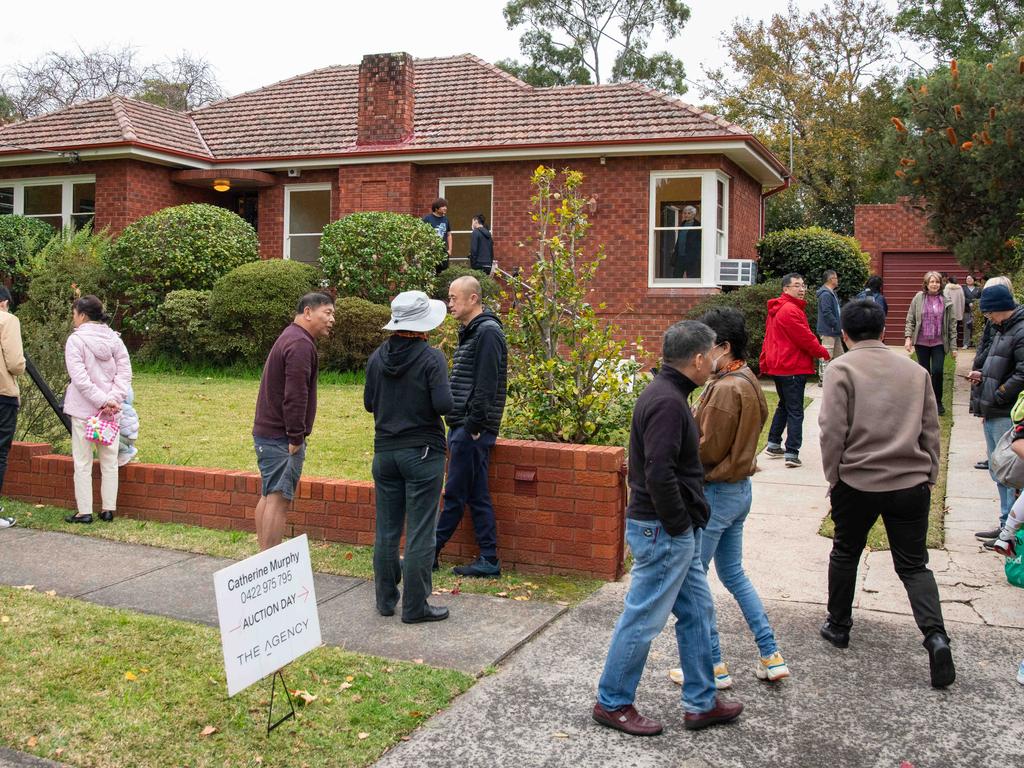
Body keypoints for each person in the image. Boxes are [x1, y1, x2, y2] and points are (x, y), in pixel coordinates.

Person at [592, 320, 743, 736]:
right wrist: (679, 526)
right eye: (714, 352)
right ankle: (612, 702)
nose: (717, 358)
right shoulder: (666, 402)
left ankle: (701, 703)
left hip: (674, 529)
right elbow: (658, 473)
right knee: (643, 619)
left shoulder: (672, 395)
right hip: (662, 530)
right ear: (697, 359)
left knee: (698, 612)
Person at [819, 299, 954, 689]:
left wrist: (835, 477)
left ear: (844, 333)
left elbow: (831, 431)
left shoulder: (840, 369)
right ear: (884, 330)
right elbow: (930, 428)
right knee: (914, 566)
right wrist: (930, 472)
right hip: (909, 482)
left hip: (857, 481)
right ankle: (935, 636)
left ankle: (839, 625)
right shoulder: (914, 372)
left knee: (846, 551)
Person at [668, 307, 789, 690]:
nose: (701, 355)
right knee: (734, 573)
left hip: (717, 493)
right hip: (739, 490)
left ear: (723, 346)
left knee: (695, 582)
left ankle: (712, 664)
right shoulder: (748, 379)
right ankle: (770, 655)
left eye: (707, 345)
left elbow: (705, 450)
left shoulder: (723, 389)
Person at [364, 291, 453, 624]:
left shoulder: (377, 357)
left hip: (384, 453)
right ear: (423, 325)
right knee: (420, 532)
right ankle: (416, 606)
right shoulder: (432, 359)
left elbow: (369, 403)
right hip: (424, 453)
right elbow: (444, 405)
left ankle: (385, 600)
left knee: (386, 530)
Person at [434, 276, 508, 576]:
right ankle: (489, 559)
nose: (449, 303)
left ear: (473, 298)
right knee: (476, 494)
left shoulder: (487, 332)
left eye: (453, 297)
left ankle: (429, 552)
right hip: (465, 426)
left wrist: (474, 425)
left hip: (471, 428)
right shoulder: (473, 331)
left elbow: (487, 385)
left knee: (454, 493)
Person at [252, 293, 335, 550]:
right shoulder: (300, 344)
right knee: (278, 500)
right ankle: (268, 566)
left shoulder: (291, 337)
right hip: (282, 437)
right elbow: (295, 394)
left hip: (269, 433)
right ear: (308, 312)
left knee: (268, 495)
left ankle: (262, 562)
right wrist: (296, 436)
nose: (332, 319)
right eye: (328, 312)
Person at [62, 295, 132, 524]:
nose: (73, 318)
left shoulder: (76, 341)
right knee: (109, 460)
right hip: (110, 413)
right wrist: (112, 399)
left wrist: (101, 400)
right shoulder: (115, 340)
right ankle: (108, 509)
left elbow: (80, 379)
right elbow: (125, 373)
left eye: (74, 314)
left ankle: (84, 512)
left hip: (85, 410)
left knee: (82, 461)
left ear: (82, 315)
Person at [966, 283, 1024, 542]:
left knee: (1009, 470)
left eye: (989, 313)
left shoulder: (1020, 331)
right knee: (997, 468)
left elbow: (1022, 373)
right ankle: (1004, 522)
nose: (988, 318)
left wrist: (999, 392)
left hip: (1006, 409)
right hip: (993, 406)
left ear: (1001, 308)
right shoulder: (1003, 328)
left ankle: (1010, 530)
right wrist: (983, 376)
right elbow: (999, 363)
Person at [760, 273, 831, 468]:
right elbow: (805, 338)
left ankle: (774, 444)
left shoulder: (779, 308)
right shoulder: (790, 310)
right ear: (785, 289)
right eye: (796, 285)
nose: (802, 289)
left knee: (785, 404)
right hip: (791, 365)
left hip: (780, 364)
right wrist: (823, 352)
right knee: (795, 410)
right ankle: (792, 452)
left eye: (803, 285)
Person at [904, 271, 956, 415]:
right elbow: (911, 319)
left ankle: (938, 402)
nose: (934, 284)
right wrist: (908, 337)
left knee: (938, 371)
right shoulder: (918, 298)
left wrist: (953, 347)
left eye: (937, 282)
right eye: (931, 282)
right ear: (926, 284)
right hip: (921, 342)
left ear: (941, 284)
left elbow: (952, 324)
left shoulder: (946, 300)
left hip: (939, 342)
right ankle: (925, 402)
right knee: (924, 372)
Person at [0, 286, 24, 529]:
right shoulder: (7, 320)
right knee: (0, 452)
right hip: (2, 394)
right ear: (4, 302)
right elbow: (16, 363)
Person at [816, 270, 843, 382]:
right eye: (836, 278)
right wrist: (837, 325)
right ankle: (823, 379)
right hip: (828, 330)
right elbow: (827, 312)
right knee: (826, 355)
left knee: (840, 356)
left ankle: (838, 378)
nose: (837, 280)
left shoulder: (832, 293)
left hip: (834, 330)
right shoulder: (826, 294)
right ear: (831, 279)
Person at [423, 198, 452, 273]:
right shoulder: (427, 219)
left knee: (443, 274)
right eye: (443, 206)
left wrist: (450, 250)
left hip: (443, 252)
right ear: (436, 208)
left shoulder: (446, 219)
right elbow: (422, 234)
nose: (445, 208)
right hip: (431, 252)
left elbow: (449, 235)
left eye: (446, 206)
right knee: (431, 273)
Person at [673, 206, 701, 278]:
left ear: (694, 215)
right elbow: (679, 239)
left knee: (692, 276)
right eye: (684, 213)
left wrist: (697, 255)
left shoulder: (698, 225)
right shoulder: (682, 224)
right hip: (680, 255)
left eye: (689, 213)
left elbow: (699, 242)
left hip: (691, 255)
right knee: (676, 276)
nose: (686, 215)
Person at [117, 385, 139, 466]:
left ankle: (126, 451)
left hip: (125, 437)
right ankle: (128, 449)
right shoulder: (130, 408)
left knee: (107, 436)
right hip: (131, 437)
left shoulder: (120, 408)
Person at [944, 276, 966, 348]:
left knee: (948, 328)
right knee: (956, 329)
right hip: (958, 312)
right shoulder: (960, 288)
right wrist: (962, 311)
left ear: (949, 281)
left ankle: (949, 344)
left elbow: (945, 299)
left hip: (949, 311)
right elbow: (963, 300)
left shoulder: (947, 288)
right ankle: (955, 344)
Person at [962, 274, 979, 348]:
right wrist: (969, 302)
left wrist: (975, 303)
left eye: (970, 278)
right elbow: (962, 297)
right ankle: (966, 343)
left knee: (976, 327)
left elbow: (980, 298)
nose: (968, 280)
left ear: (974, 280)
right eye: (967, 278)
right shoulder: (963, 288)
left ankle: (976, 343)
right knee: (966, 327)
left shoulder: (978, 289)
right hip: (966, 310)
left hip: (976, 311)